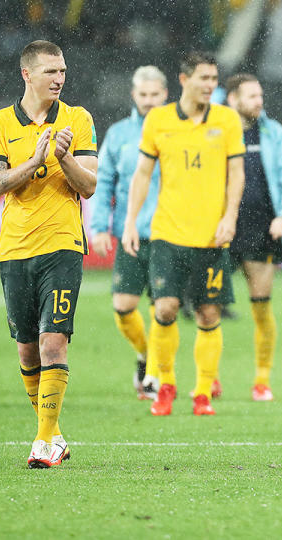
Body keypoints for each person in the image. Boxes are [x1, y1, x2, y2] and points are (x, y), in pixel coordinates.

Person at [0, 40, 98, 467]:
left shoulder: (78, 118)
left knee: (54, 342)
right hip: (14, 247)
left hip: (62, 245)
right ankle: (55, 438)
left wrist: (63, 158)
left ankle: (42, 442)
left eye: (63, 70)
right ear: (27, 74)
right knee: (27, 351)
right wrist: (35, 160)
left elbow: (88, 186)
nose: (60, 79)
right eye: (51, 71)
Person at [121, 51, 246, 416]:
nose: (210, 86)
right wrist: (130, 221)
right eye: (204, 78)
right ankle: (166, 386)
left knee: (209, 314)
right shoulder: (159, 120)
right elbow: (142, 174)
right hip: (167, 233)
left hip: (211, 237)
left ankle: (203, 392)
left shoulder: (226, 120)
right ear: (184, 80)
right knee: (165, 308)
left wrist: (230, 217)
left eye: (213, 79)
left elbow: (236, 173)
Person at [224, 73, 282, 402]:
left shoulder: (273, 133)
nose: (259, 101)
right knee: (209, 309)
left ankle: (261, 380)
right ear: (233, 100)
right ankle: (208, 380)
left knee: (260, 304)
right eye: (252, 96)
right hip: (221, 228)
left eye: (260, 95)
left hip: (261, 228)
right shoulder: (215, 132)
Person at [90, 65, 168, 401]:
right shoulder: (120, 134)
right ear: (134, 96)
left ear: (166, 95)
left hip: (169, 233)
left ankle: (155, 377)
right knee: (124, 307)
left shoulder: (177, 131)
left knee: (162, 307)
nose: (149, 101)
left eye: (155, 95)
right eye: (143, 95)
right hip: (131, 232)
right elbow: (104, 179)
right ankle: (147, 353)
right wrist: (99, 227)